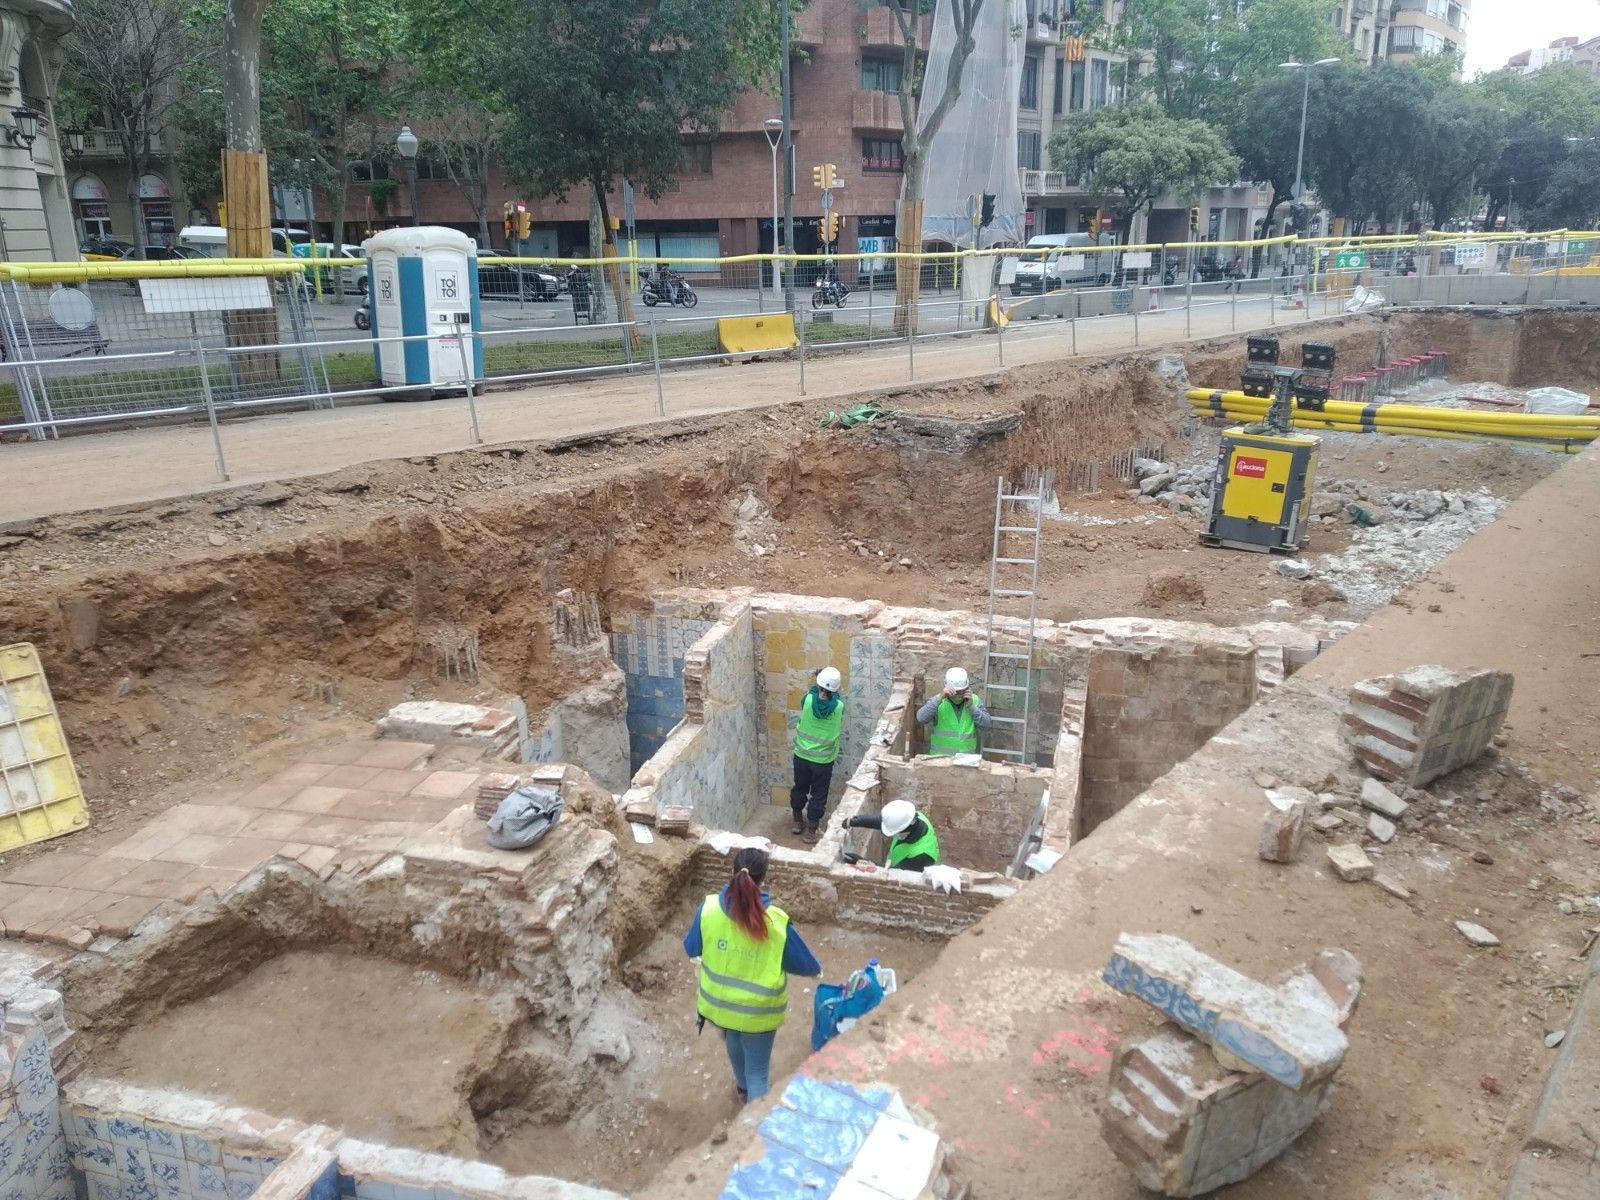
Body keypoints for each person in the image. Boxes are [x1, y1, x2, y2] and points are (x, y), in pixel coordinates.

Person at [683, 848, 821, 1105]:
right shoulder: (775, 922)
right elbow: (805, 965)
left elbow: (691, 947)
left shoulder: (709, 908)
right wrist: (816, 969)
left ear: (732, 873)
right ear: (763, 879)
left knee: (733, 1038)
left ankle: (742, 1089)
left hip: (720, 1006)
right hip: (758, 1013)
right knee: (759, 1073)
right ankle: (751, 1129)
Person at [791, 666, 844, 844]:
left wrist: (818, 676)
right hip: (822, 761)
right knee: (818, 795)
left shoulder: (807, 700)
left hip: (802, 756)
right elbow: (834, 697)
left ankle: (797, 821)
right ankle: (811, 831)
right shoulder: (838, 707)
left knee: (799, 788)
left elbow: (813, 692)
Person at [845, 798, 940, 872]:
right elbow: (883, 822)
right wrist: (854, 821)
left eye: (893, 832)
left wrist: (866, 864)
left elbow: (894, 876)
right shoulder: (914, 818)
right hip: (896, 861)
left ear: (905, 829)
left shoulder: (922, 857)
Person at [916, 667, 990, 756]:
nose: (958, 695)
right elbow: (921, 718)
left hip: (966, 761)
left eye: (961, 691)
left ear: (967, 688)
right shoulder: (938, 702)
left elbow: (986, 725)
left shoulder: (974, 700)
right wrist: (939, 698)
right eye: (955, 692)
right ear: (947, 688)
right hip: (940, 761)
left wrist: (972, 707)